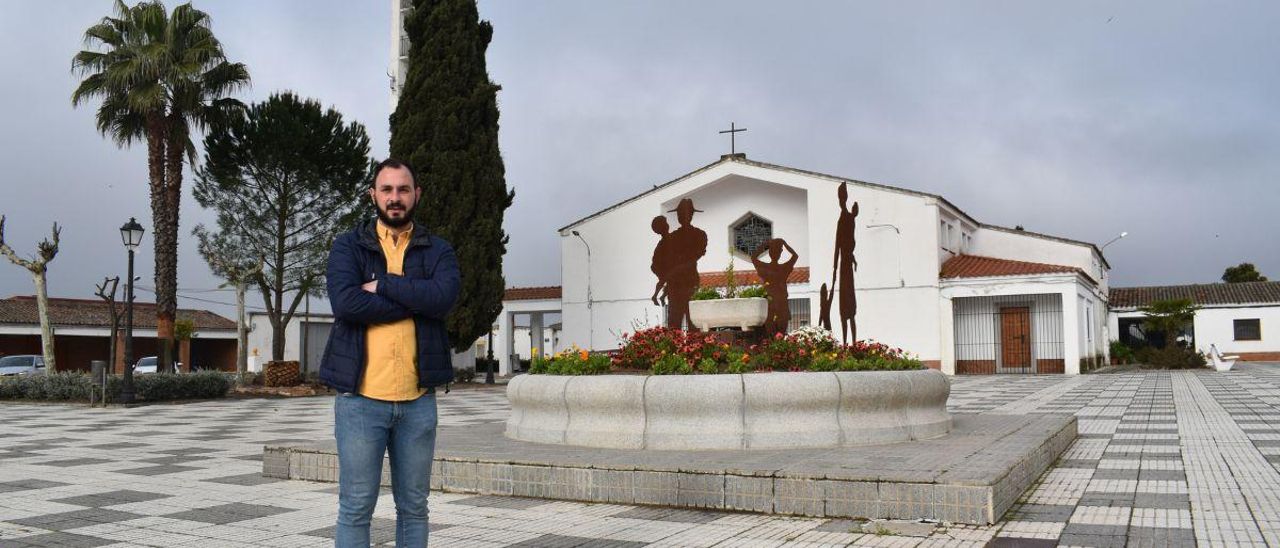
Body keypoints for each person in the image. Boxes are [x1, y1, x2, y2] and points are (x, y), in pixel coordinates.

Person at [319, 158, 461, 548]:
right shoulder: (349, 246)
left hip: (418, 402)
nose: (395, 198)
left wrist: (381, 285)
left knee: (414, 507)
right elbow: (347, 305)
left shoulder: (438, 250)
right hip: (361, 401)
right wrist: (418, 299)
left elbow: (444, 298)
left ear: (416, 194)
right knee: (355, 506)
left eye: (403, 189)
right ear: (373, 195)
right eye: (387, 190)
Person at [663, 198, 707, 330]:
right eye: (679, 214)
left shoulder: (700, 235)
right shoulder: (672, 238)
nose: (681, 216)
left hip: (690, 282)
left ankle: (694, 350)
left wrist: (676, 268)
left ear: (691, 215)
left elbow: (693, 258)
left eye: (684, 213)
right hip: (674, 284)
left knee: (693, 321)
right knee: (673, 323)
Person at [751, 238, 798, 336]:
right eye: (774, 250)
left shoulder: (765, 268)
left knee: (774, 333)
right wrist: (784, 244)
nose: (775, 253)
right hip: (775, 303)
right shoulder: (783, 268)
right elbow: (795, 256)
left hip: (775, 302)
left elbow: (753, 257)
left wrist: (765, 245)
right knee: (777, 333)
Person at [832, 183, 859, 344]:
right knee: (845, 309)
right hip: (844, 265)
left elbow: (846, 244)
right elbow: (837, 245)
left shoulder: (848, 218)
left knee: (850, 309)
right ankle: (845, 343)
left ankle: (853, 343)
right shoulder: (844, 218)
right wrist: (835, 267)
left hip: (846, 263)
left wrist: (852, 258)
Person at [649, 215, 672, 306]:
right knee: (665, 279)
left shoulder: (669, 238)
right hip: (658, 266)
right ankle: (655, 296)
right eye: (665, 224)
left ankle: (661, 296)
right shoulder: (663, 242)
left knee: (670, 280)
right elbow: (657, 258)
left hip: (664, 266)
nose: (667, 225)